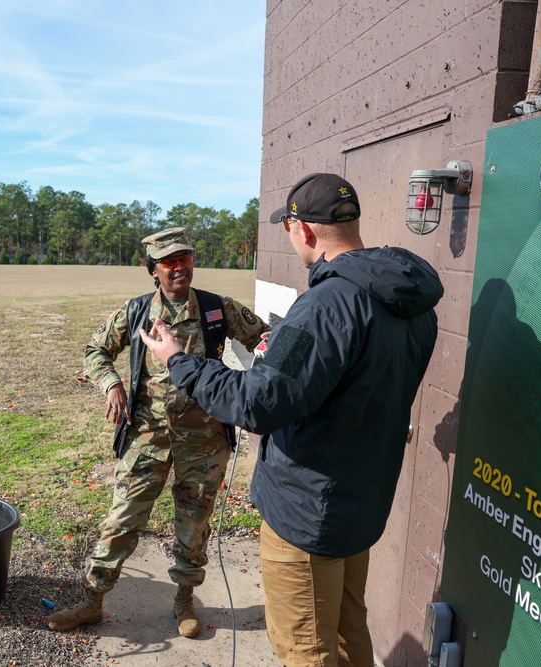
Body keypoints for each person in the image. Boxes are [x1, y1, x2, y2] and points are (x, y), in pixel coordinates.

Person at [140, 174, 442, 666]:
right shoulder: (410, 302)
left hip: (308, 511)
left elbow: (258, 404)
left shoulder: (326, 306)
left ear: (302, 230)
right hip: (359, 501)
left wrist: (177, 360)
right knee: (347, 633)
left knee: (306, 649)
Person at [47, 227, 269, 638]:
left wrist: (260, 378)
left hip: (203, 441)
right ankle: (93, 600)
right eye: (169, 261)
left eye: (184, 258)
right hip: (146, 437)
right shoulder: (134, 312)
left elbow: (265, 338)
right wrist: (111, 384)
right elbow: (94, 351)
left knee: (193, 523)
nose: (179, 266)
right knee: (122, 518)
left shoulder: (216, 309)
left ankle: (184, 598)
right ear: (153, 269)